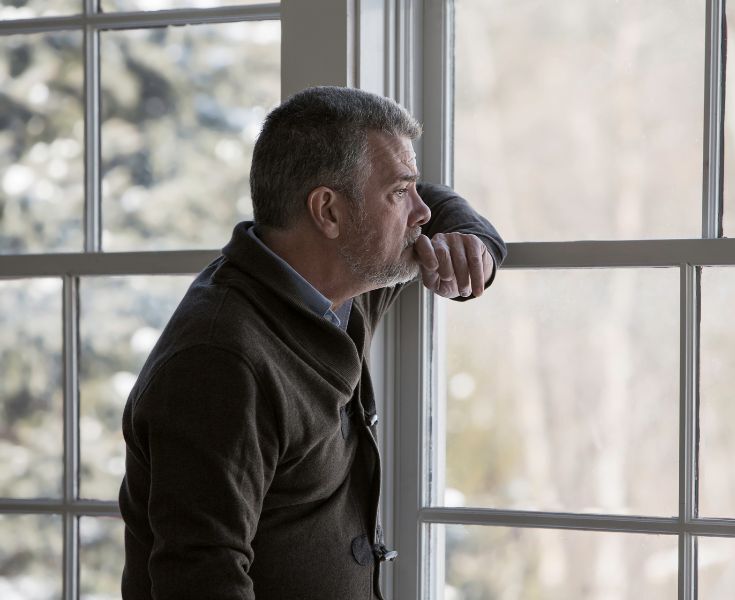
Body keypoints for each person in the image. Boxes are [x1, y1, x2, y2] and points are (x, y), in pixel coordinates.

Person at [118, 86, 506, 599]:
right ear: (328, 211)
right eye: (398, 193)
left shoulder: (339, 276)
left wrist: (474, 245)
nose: (421, 214)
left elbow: (433, 200)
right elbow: (200, 577)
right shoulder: (219, 362)